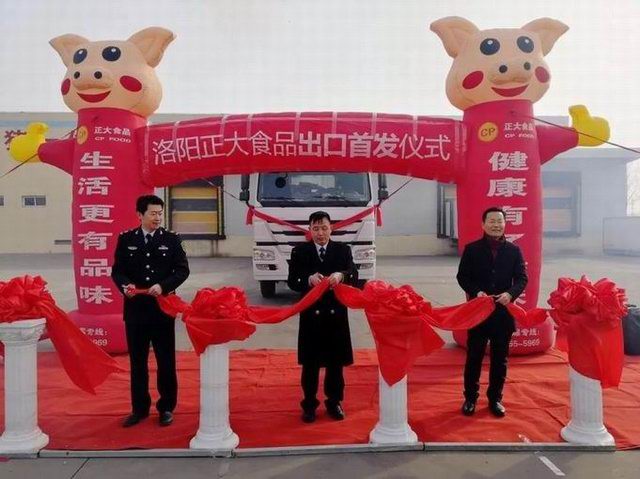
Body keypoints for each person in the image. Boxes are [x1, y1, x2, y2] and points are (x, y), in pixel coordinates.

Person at [111, 195, 190, 427]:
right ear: (140, 215)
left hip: (162, 310)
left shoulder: (171, 239)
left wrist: (163, 286)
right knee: (138, 363)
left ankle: (166, 408)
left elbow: (182, 270)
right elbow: (117, 271)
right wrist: (125, 286)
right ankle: (139, 409)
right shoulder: (126, 239)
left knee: (166, 362)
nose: (157, 218)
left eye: (160, 213)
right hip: (135, 311)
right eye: (153, 213)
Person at [287, 211, 358, 423]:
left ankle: (334, 402)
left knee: (335, 364)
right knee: (311, 364)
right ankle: (309, 404)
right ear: (309, 230)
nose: (320, 233)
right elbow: (292, 281)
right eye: (316, 228)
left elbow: (354, 275)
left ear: (331, 228)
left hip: (336, 314)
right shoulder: (300, 251)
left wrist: (341, 275)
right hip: (311, 315)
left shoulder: (342, 250)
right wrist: (308, 279)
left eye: (324, 228)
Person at [456, 206, 528, 418]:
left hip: (502, 313)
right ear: (483, 224)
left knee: (500, 359)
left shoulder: (514, 250)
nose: (496, 225)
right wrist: (476, 292)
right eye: (492, 221)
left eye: (500, 221)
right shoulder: (472, 249)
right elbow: (462, 277)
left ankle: (495, 399)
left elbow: (522, 278)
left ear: (505, 224)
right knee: (474, 357)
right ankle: (470, 398)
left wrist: (510, 294)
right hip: (478, 313)